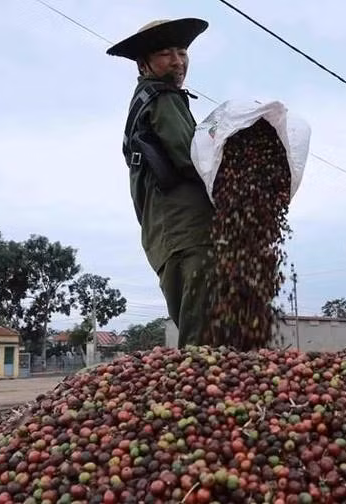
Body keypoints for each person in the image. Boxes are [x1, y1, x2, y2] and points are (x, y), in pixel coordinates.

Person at [107, 18, 214, 348]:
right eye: (166, 53)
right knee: (202, 332)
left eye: (182, 52)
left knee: (197, 320)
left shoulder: (150, 99)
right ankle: (200, 390)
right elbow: (191, 159)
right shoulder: (162, 97)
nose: (178, 61)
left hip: (166, 233)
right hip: (185, 229)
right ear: (144, 64)